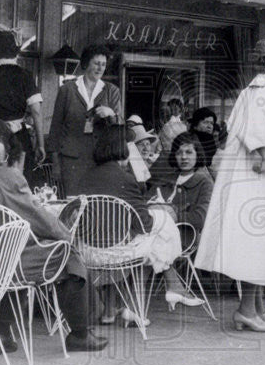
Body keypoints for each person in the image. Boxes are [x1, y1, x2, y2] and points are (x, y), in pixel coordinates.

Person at [0, 113, 106, 353]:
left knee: (14, 250)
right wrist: (69, 238)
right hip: (6, 265)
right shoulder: (5, 177)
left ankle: (1, 335)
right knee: (66, 254)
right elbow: (41, 220)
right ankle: (80, 334)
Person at [195, 36, 265, 331]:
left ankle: (257, 307)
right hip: (259, 180)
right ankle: (245, 310)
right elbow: (249, 127)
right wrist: (263, 155)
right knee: (259, 241)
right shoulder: (262, 89)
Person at [76, 126, 203, 322]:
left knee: (153, 234)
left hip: (86, 251)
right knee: (160, 229)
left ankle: (114, 310)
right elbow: (144, 225)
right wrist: (160, 214)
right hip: (115, 253)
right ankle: (162, 292)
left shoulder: (84, 177)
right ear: (123, 149)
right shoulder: (125, 179)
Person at [46, 45, 123, 197]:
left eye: (103, 64)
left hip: (100, 159)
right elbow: (55, 128)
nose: (100, 68)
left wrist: (111, 114)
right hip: (72, 160)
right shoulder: (67, 90)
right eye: (96, 63)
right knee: (73, 202)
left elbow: (120, 125)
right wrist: (56, 163)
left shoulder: (112, 91)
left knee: (97, 203)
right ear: (86, 63)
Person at [0, 26, 46, 165]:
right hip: (20, 138)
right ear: (15, 50)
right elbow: (36, 111)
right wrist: (41, 145)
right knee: (19, 180)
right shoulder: (26, 75)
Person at [155, 132, 214, 251]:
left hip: (184, 239)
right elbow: (146, 203)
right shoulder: (167, 178)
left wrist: (172, 214)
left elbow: (200, 218)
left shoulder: (205, 183)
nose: (184, 157)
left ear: (197, 154)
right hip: (157, 235)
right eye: (179, 152)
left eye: (189, 152)